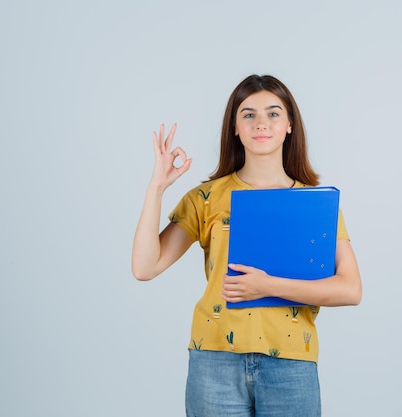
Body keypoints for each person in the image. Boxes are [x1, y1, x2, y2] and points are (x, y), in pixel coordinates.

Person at [132, 74, 362, 417]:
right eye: (248, 114)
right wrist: (156, 187)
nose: (261, 124)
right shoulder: (206, 198)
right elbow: (145, 267)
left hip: (291, 364)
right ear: (235, 128)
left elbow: (350, 289)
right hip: (215, 362)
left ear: (289, 125)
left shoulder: (316, 205)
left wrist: (265, 286)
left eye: (272, 113)